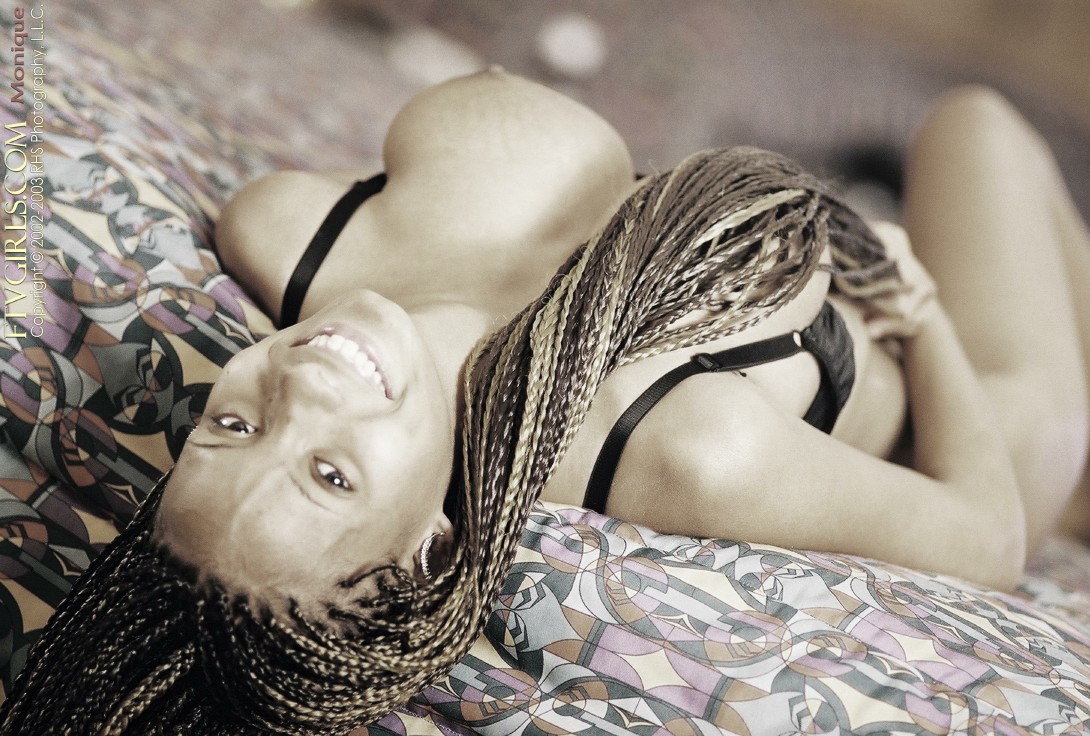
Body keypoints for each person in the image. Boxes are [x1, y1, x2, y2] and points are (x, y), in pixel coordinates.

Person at [3, 69, 1089, 734]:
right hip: (983, 414)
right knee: (976, 124)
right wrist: (922, 311)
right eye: (330, 475)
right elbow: (987, 534)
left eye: (234, 426)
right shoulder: (677, 446)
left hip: (810, 244)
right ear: (425, 550)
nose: (305, 385)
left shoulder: (285, 231)